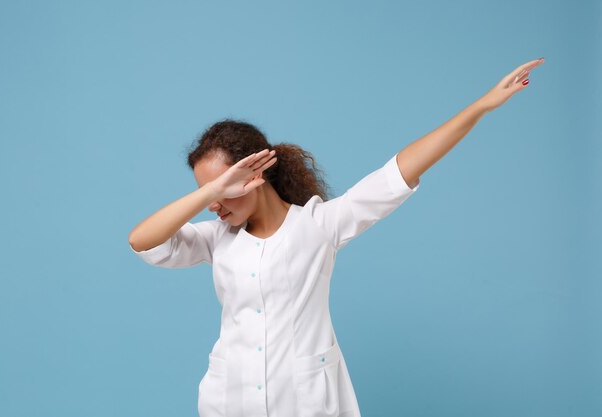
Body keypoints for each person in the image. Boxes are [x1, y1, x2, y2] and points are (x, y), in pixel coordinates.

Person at [128, 58, 544, 417]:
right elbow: (141, 241)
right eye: (209, 195)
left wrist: (481, 106)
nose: (214, 206)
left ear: (255, 174)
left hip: (306, 403)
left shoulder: (319, 225)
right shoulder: (215, 239)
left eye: (225, 188)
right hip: (229, 403)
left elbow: (399, 172)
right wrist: (211, 191)